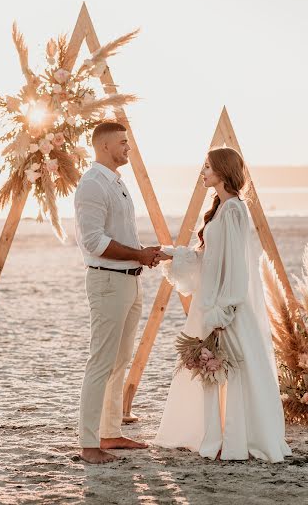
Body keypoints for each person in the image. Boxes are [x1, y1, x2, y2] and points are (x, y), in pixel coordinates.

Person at [153, 146, 292, 462]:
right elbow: (209, 258)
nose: (202, 172)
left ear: (222, 170)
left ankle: (231, 439)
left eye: (206, 167)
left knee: (230, 371)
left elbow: (237, 267)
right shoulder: (220, 209)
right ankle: (214, 436)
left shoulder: (233, 210)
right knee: (211, 371)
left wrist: (223, 309)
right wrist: (173, 255)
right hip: (210, 301)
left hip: (224, 306)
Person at [75, 120, 160, 464]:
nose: (128, 148)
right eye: (123, 142)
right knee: (101, 362)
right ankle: (88, 443)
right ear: (104, 146)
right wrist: (138, 253)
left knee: (119, 361)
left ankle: (110, 433)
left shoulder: (116, 182)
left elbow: (120, 233)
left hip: (129, 281)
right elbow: (94, 242)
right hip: (108, 283)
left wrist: (144, 253)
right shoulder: (93, 184)